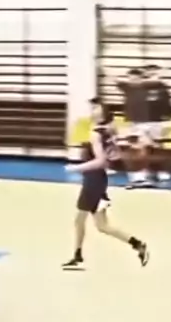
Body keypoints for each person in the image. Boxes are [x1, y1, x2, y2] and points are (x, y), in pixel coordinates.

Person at [63, 98, 149, 270]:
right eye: (92, 108)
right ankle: (138, 244)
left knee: (80, 219)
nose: (92, 111)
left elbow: (101, 161)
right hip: (98, 180)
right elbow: (114, 155)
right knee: (102, 225)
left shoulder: (96, 134)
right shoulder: (106, 132)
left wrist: (76, 168)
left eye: (96, 108)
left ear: (102, 112)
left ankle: (78, 256)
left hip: (93, 180)